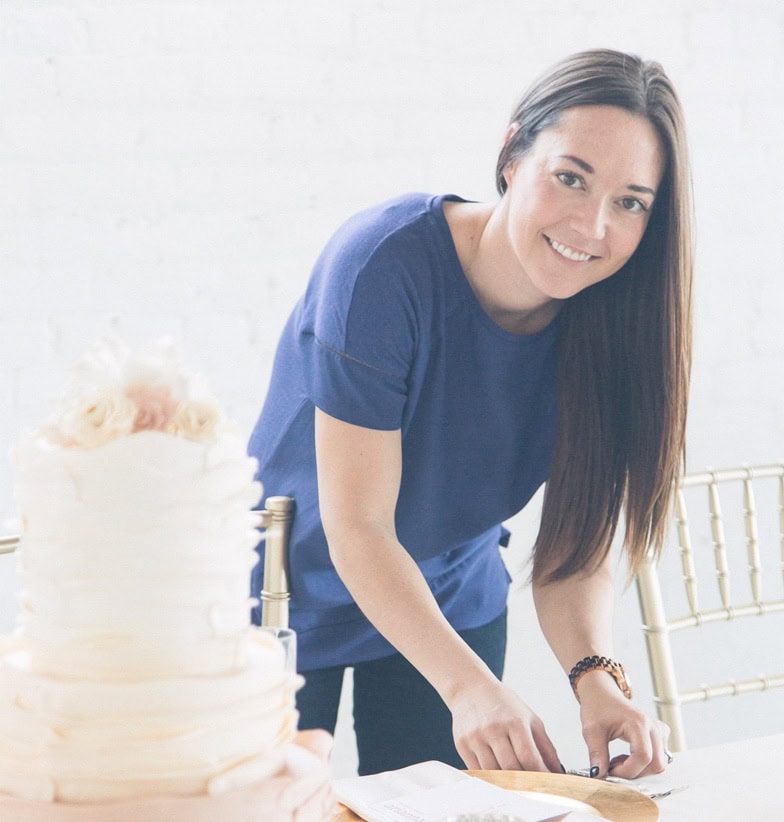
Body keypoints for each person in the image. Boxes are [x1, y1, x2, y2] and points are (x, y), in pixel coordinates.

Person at [249, 48, 693, 780]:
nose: (591, 225)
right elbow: (359, 527)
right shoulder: (383, 263)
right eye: (571, 178)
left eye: (630, 202)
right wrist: (468, 689)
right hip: (291, 592)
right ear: (514, 154)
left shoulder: (615, 324)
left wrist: (597, 678)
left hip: (451, 598)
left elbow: (575, 543)